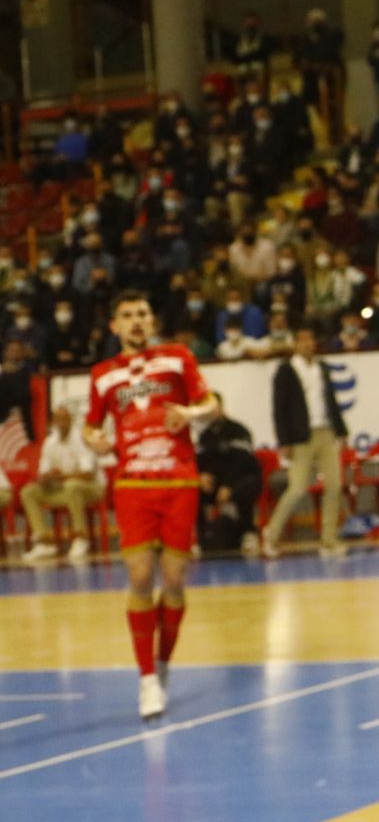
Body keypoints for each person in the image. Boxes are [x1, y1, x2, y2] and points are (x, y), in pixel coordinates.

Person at [83, 290, 220, 720]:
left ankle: (162, 664)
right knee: (140, 577)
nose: (136, 321)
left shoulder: (177, 358)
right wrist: (95, 440)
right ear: (115, 326)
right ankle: (145, 679)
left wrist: (190, 414)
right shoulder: (102, 375)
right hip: (133, 484)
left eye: (142, 313)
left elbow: (211, 405)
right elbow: (90, 426)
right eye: (127, 315)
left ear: (152, 320)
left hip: (179, 481)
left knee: (174, 581)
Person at [261, 328, 348, 559]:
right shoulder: (286, 370)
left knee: (334, 485)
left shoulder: (322, 367)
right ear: (296, 344)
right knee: (297, 488)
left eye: (311, 340)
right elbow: (279, 408)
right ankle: (271, 534)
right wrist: (284, 441)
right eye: (303, 341)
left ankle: (329, 540)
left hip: (325, 431)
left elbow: (331, 400)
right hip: (301, 437)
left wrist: (341, 430)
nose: (308, 344)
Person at [19, 404, 105, 563]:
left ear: (71, 420)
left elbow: (87, 474)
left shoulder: (81, 439)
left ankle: (80, 537)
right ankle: (44, 542)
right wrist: (45, 478)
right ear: (53, 422)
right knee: (29, 491)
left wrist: (61, 477)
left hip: (92, 488)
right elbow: (43, 471)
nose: (62, 423)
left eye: (65, 419)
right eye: (58, 419)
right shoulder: (49, 442)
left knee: (72, 485)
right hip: (63, 489)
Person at [195, 392, 263, 555]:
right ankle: (202, 537)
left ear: (220, 407)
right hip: (216, 482)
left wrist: (227, 485)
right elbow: (200, 460)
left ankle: (248, 533)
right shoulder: (205, 435)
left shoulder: (238, 431)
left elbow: (242, 462)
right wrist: (202, 475)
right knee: (194, 491)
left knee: (245, 487)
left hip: (241, 477)